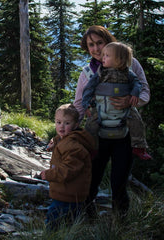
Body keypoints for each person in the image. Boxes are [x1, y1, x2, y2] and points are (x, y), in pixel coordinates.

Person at [73, 25, 150, 217]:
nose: (96, 49)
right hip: (97, 135)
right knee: (92, 179)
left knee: (119, 181)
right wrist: (67, 132)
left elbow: (145, 90)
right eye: (91, 45)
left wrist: (132, 101)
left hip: (125, 134)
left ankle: (120, 224)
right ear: (86, 48)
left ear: (109, 41)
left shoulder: (131, 64)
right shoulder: (87, 73)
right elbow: (78, 105)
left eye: (100, 42)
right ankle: (87, 221)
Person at [82, 42, 151, 160]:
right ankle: (91, 148)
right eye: (103, 55)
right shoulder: (100, 72)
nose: (103, 58)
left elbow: (137, 84)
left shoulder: (129, 73)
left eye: (107, 56)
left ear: (119, 59)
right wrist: (86, 103)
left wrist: (134, 94)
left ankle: (139, 147)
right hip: (101, 107)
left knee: (136, 121)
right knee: (90, 125)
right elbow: (89, 88)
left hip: (125, 109)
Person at [40, 103, 95, 230]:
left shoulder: (73, 146)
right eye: (58, 122)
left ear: (76, 125)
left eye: (67, 123)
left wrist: (48, 174)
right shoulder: (65, 139)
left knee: (53, 224)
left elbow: (68, 170)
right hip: (68, 192)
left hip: (68, 194)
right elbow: (62, 140)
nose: (61, 127)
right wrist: (55, 142)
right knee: (69, 224)